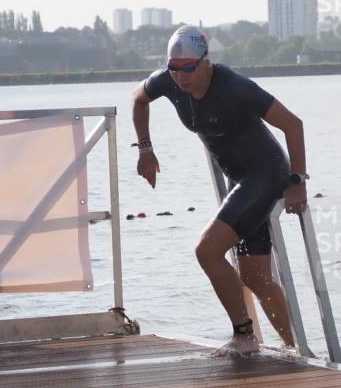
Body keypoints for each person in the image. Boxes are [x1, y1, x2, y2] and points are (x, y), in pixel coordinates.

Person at [131, 26, 308, 357]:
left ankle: (244, 335)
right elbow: (138, 98)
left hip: (267, 174)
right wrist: (145, 147)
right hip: (241, 181)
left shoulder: (236, 87)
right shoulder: (168, 82)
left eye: (188, 68)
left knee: (207, 251)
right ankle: (296, 349)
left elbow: (293, 124)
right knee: (255, 277)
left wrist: (298, 182)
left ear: (205, 62)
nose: (180, 76)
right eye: (173, 67)